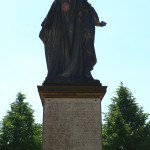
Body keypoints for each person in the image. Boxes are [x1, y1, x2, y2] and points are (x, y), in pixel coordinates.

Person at [39, 0, 106, 84]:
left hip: (78, 32)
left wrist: (98, 22)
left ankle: (83, 73)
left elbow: (89, 11)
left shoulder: (83, 3)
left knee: (78, 50)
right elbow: (52, 13)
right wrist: (46, 26)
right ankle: (63, 73)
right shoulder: (59, 3)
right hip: (63, 28)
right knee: (64, 50)